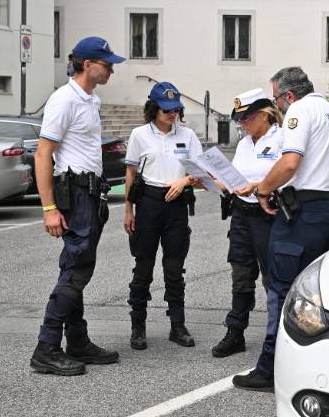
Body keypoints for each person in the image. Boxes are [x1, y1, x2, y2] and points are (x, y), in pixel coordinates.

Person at [232, 67, 329, 391]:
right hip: (325, 211)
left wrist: (263, 190)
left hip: (299, 214)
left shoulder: (299, 111)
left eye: (276, 99)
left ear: (289, 95)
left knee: (281, 291)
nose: (276, 106)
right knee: (314, 293)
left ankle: (269, 370)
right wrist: (325, 170)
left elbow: (290, 162)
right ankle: (312, 367)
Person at [30, 36, 125, 376]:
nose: (111, 70)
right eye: (107, 64)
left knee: (76, 267)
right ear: (87, 65)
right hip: (77, 193)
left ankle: (78, 341)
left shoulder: (90, 99)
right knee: (78, 269)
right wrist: (49, 208)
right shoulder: (64, 99)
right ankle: (46, 347)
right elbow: (43, 154)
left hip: (91, 193)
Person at [123, 82, 203, 350]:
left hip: (176, 204)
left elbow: (201, 172)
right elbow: (131, 173)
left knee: (174, 269)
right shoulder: (139, 134)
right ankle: (138, 326)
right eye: (166, 109)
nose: (172, 114)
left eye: (175, 109)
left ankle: (177, 325)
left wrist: (185, 181)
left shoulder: (188, 135)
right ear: (153, 109)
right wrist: (128, 210)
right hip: (148, 202)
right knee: (143, 267)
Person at [211, 88, 284, 358]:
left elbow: (289, 175)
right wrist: (207, 180)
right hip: (242, 213)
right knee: (241, 273)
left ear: (264, 115)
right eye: (239, 120)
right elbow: (233, 180)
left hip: (270, 214)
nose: (242, 124)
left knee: (272, 277)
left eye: (246, 118)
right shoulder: (244, 144)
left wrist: (258, 185)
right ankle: (236, 332)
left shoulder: (281, 139)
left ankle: (277, 336)